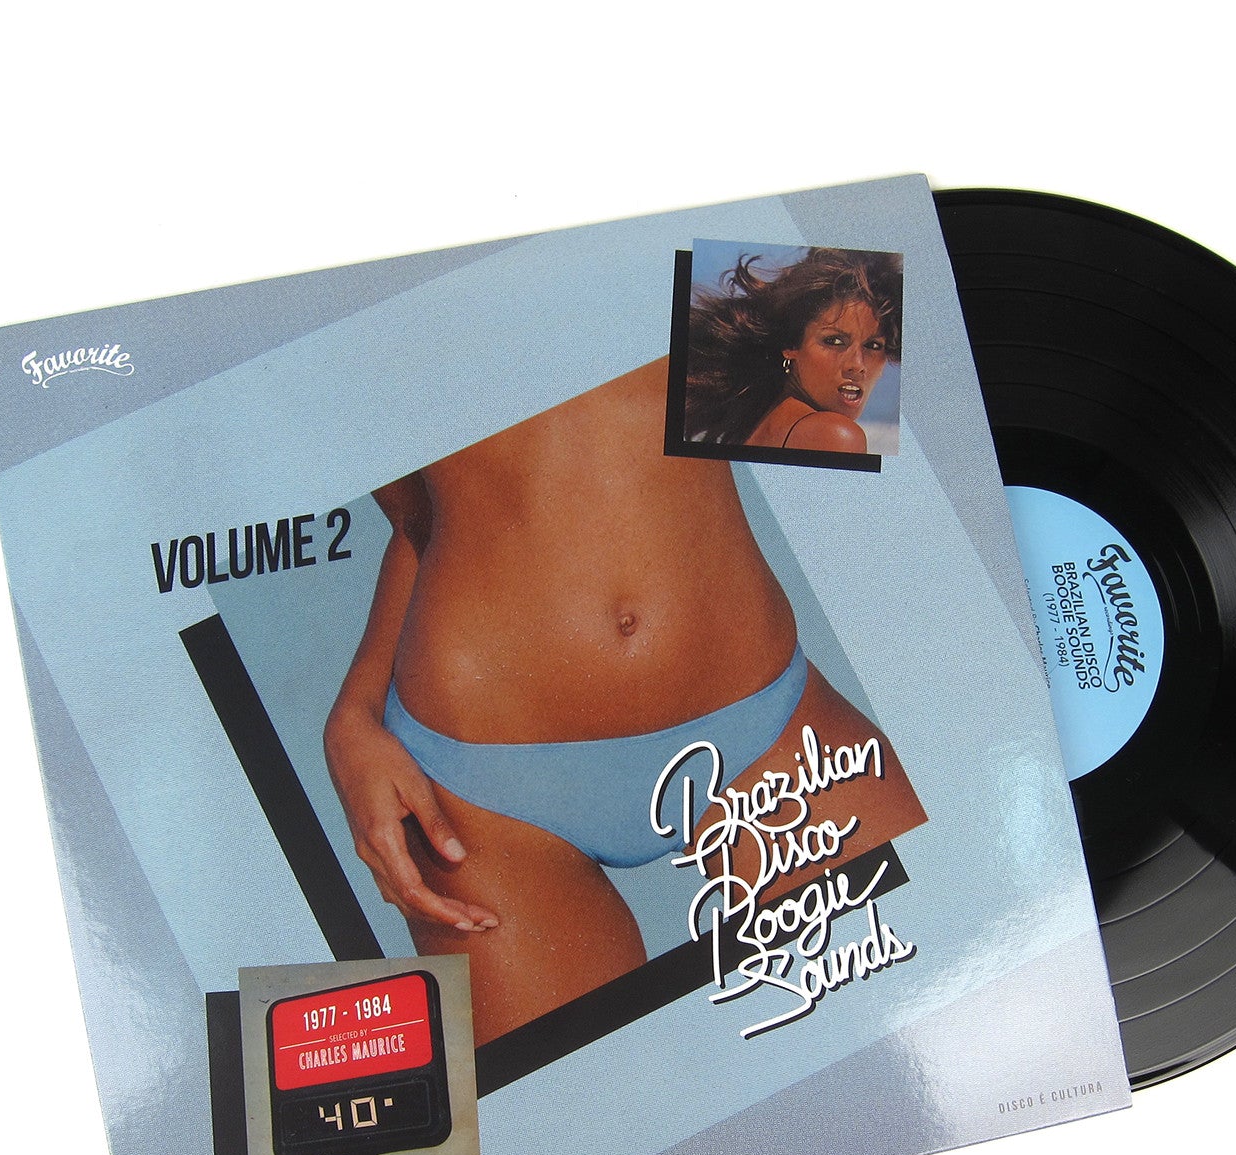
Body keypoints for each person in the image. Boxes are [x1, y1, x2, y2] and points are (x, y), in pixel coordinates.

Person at [325, 357, 924, 1045]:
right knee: (578, 1107)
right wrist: (352, 716)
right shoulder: (368, 310)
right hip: (482, 785)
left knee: (919, 1026)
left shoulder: (687, 283)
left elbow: (862, 407)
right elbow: (419, 522)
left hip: (763, 718)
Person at [683, 248, 901, 454]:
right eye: (834, 341)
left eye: (873, 346)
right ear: (792, 345)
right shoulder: (834, 435)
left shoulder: (757, 422)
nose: (857, 365)